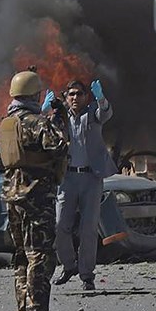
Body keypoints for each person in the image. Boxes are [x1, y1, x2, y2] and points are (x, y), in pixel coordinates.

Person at [0, 70, 69, 311]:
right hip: (36, 195)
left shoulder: (7, 123)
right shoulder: (37, 122)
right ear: (34, 95)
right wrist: (58, 120)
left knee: (21, 257)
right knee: (40, 254)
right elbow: (60, 147)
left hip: (12, 195)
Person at [44, 79, 117, 291]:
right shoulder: (60, 117)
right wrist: (44, 111)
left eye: (79, 94)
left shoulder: (93, 112)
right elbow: (45, 131)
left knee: (88, 229)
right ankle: (68, 266)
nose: (75, 98)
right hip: (67, 179)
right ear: (66, 98)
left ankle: (87, 275)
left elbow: (106, 113)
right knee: (60, 225)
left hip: (91, 178)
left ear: (86, 97)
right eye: (71, 94)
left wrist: (101, 98)